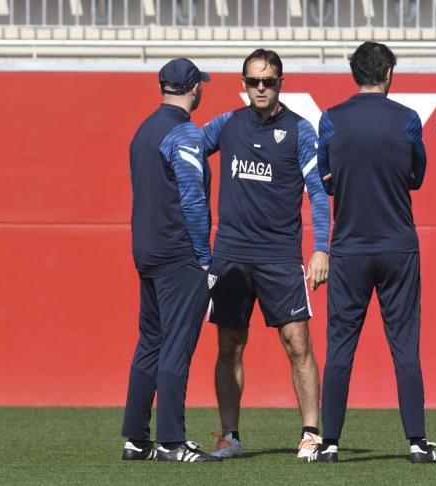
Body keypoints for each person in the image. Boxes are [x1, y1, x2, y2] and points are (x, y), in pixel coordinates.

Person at [309, 42, 436, 464]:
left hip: (349, 248)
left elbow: (326, 179)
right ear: (387, 73)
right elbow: (417, 176)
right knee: (404, 347)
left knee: (340, 349)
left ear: (356, 74)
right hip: (398, 247)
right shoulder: (407, 119)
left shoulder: (330, 119)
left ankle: (329, 442)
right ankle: (418, 443)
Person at [201, 49, 330, 459]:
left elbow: (319, 194)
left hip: (279, 256)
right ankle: (229, 437)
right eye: (253, 81)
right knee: (229, 346)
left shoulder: (300, 130)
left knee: (298, 344)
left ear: (281, 83)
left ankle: (311, 434)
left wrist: (321, 247)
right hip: (232, 255)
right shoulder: (226, 124)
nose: (260, 88)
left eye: (268, 81)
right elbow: (184, 153)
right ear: (243, 83)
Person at [120, 58, 220, 463]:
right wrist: (204, 258)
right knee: (176, 347)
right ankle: (171, 442)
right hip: (179, 253)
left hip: (146, 251)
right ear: (194, 88)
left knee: (150, 344)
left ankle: (136, 439)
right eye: (202, 86)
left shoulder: (143, 131)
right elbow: (193, 200)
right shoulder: (185, 133)